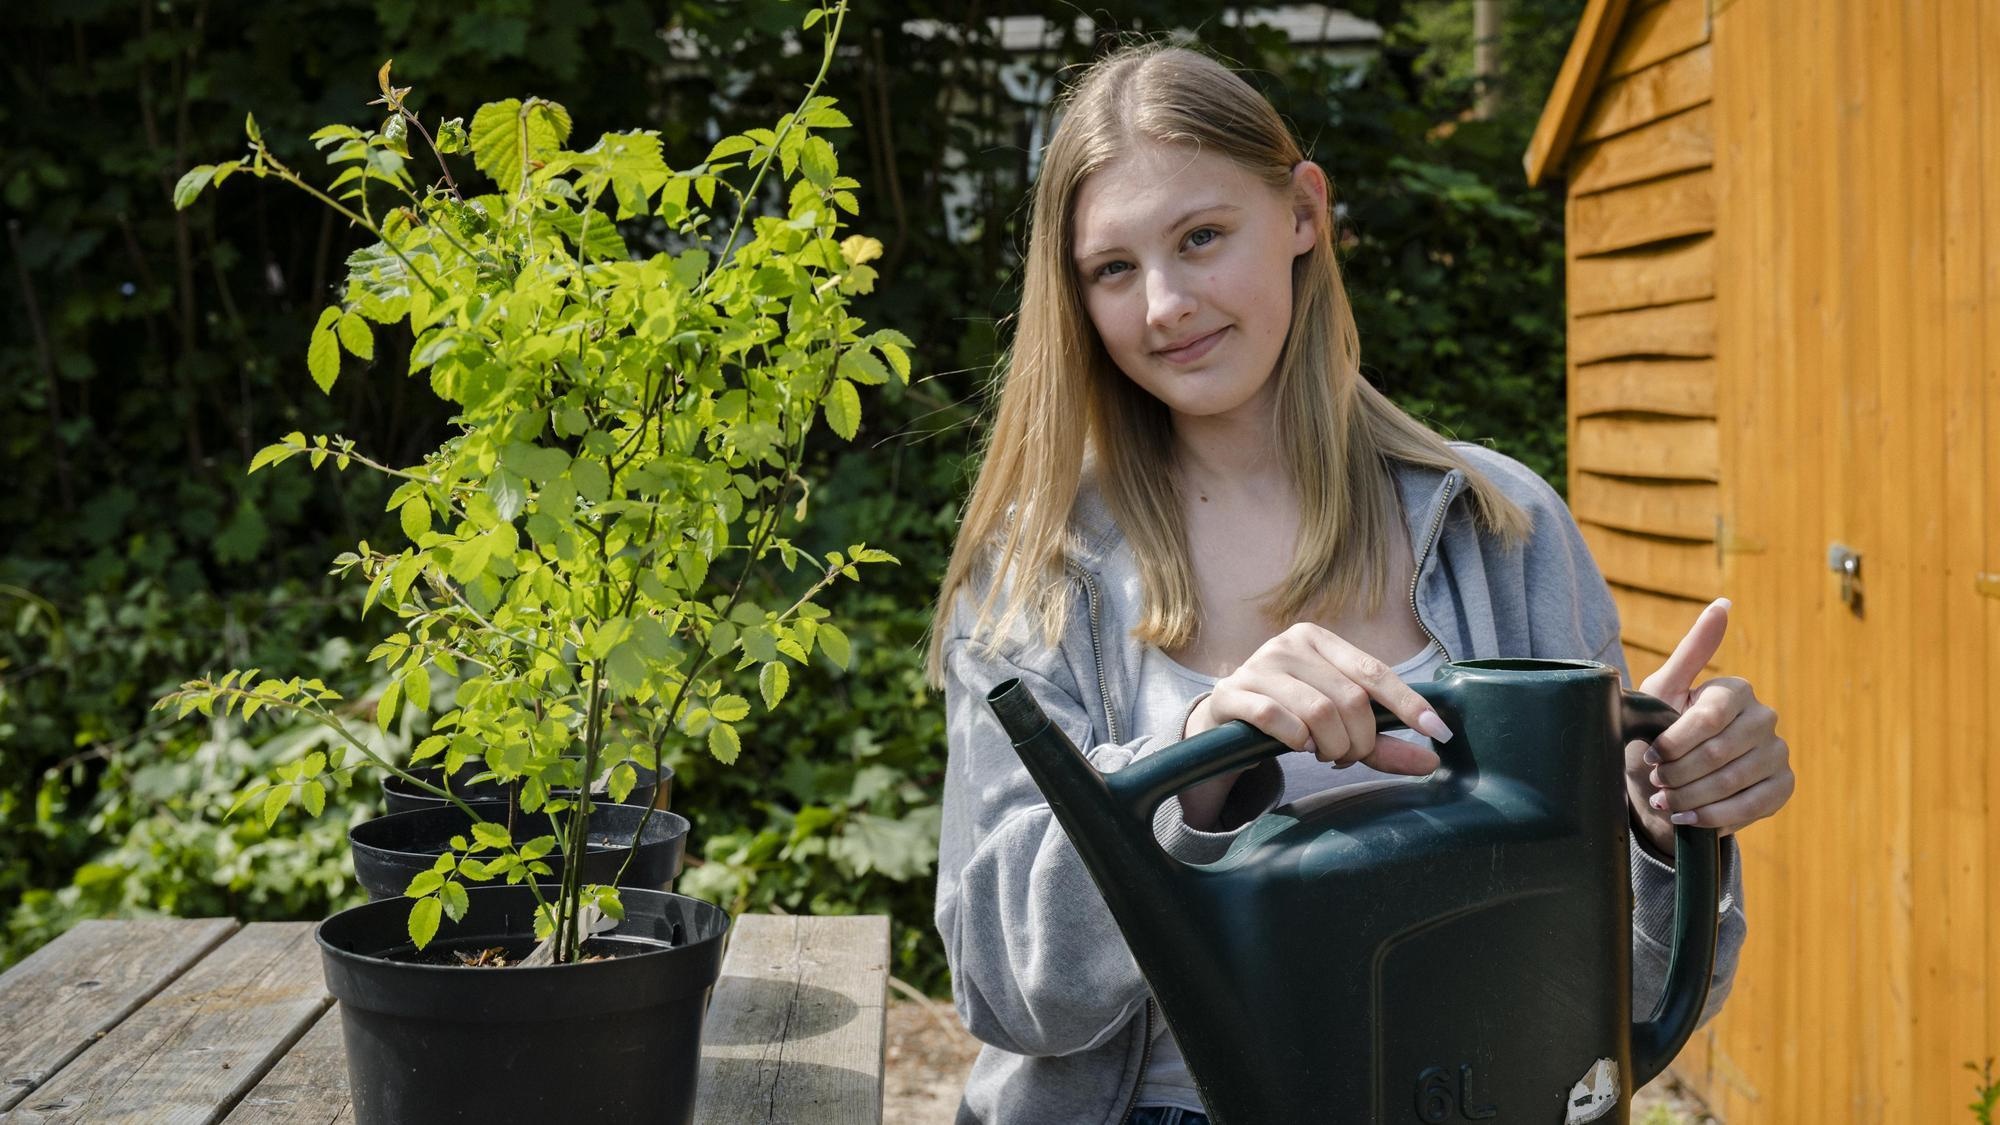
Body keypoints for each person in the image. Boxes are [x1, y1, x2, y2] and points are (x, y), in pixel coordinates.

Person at [924, 43, 1794, 1125]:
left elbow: (1634, 1003)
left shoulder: (1496, 528)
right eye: (1112, 269)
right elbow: (1006, 996)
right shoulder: (1036, 579)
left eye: (1200, 237)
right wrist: (1190, 766)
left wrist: (1666, 824)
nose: (1162, 306)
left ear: (1302, 212)